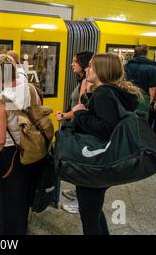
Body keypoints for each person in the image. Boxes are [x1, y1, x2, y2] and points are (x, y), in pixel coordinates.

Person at [72, 53, 140, 235]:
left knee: (88, 216)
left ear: (102, 70)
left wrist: (80, 113)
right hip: (104, 163)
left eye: (92, 66)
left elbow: (104, 129)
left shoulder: (103, 93)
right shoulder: (112, 92)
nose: (87, 69)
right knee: (93, 211)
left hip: (96, 163)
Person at [0, 54, 44, 235]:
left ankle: (10, 231)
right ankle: (22, 225)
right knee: (25, 190)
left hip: (11, 152)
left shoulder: (0, 100)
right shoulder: (31, 89)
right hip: (32, 147)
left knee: (9, 194)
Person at [55, 51, 93, 214]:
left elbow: (80, 108)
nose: (72, 64)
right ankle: (78, 193)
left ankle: (81, 201)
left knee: (81, 161)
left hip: (80, 126)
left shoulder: (86, 82)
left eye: (75, 62)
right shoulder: (83, 81)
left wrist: (63, 116)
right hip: (78, 125)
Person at [124, 44, 156, 120]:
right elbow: (152, 88)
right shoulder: (152, 67)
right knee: (141, 121)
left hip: (128, 94)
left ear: (135, 53)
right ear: (146, 53)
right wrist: (150, 102)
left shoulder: (127, 65)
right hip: (143, 97)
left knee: (127, 119)